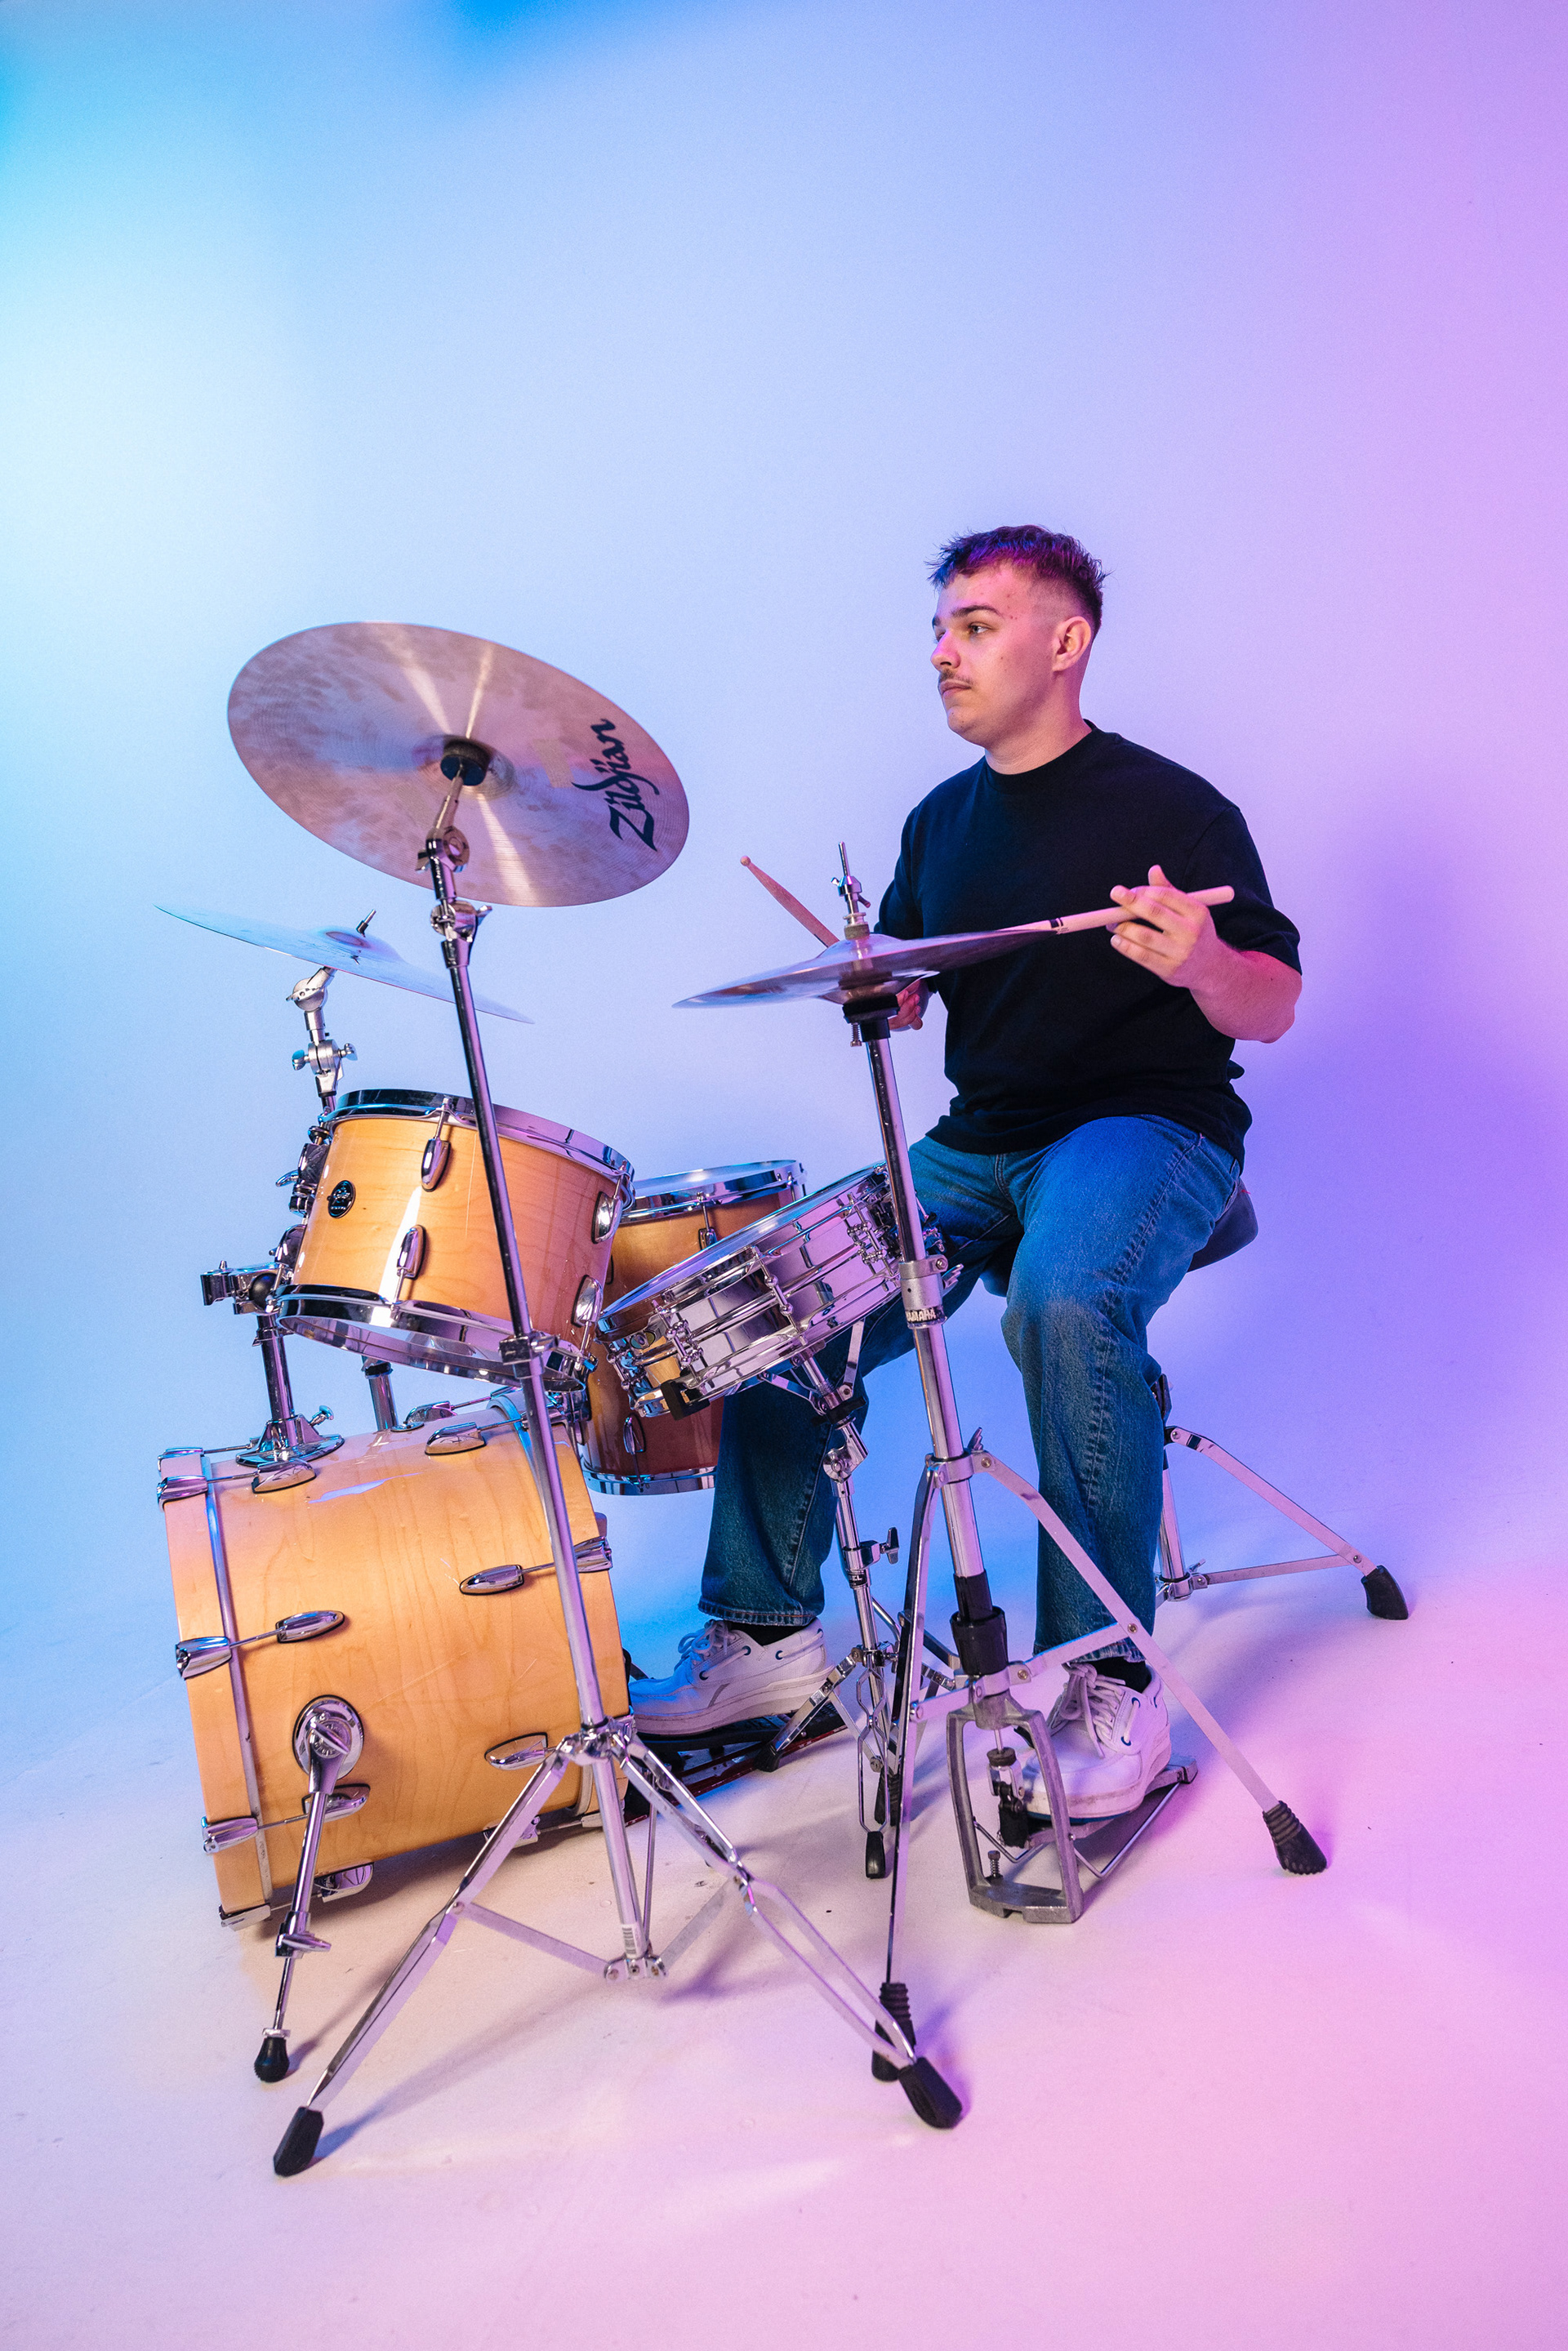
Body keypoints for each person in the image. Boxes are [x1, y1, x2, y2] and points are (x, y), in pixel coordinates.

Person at [628, 526, 1302, 1816]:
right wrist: (882, 990)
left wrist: (1204, 964)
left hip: (1145, 1129)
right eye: (940, 630)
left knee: (1063, 1301)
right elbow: (910, 982)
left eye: (977, 626)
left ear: (1066, 641)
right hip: (978, 1147)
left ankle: (1106, 1677)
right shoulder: (940, 822)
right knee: (778, 1306)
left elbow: (1270, 1004)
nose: (945, 652)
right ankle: (766, 1643)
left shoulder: (1173, 807)